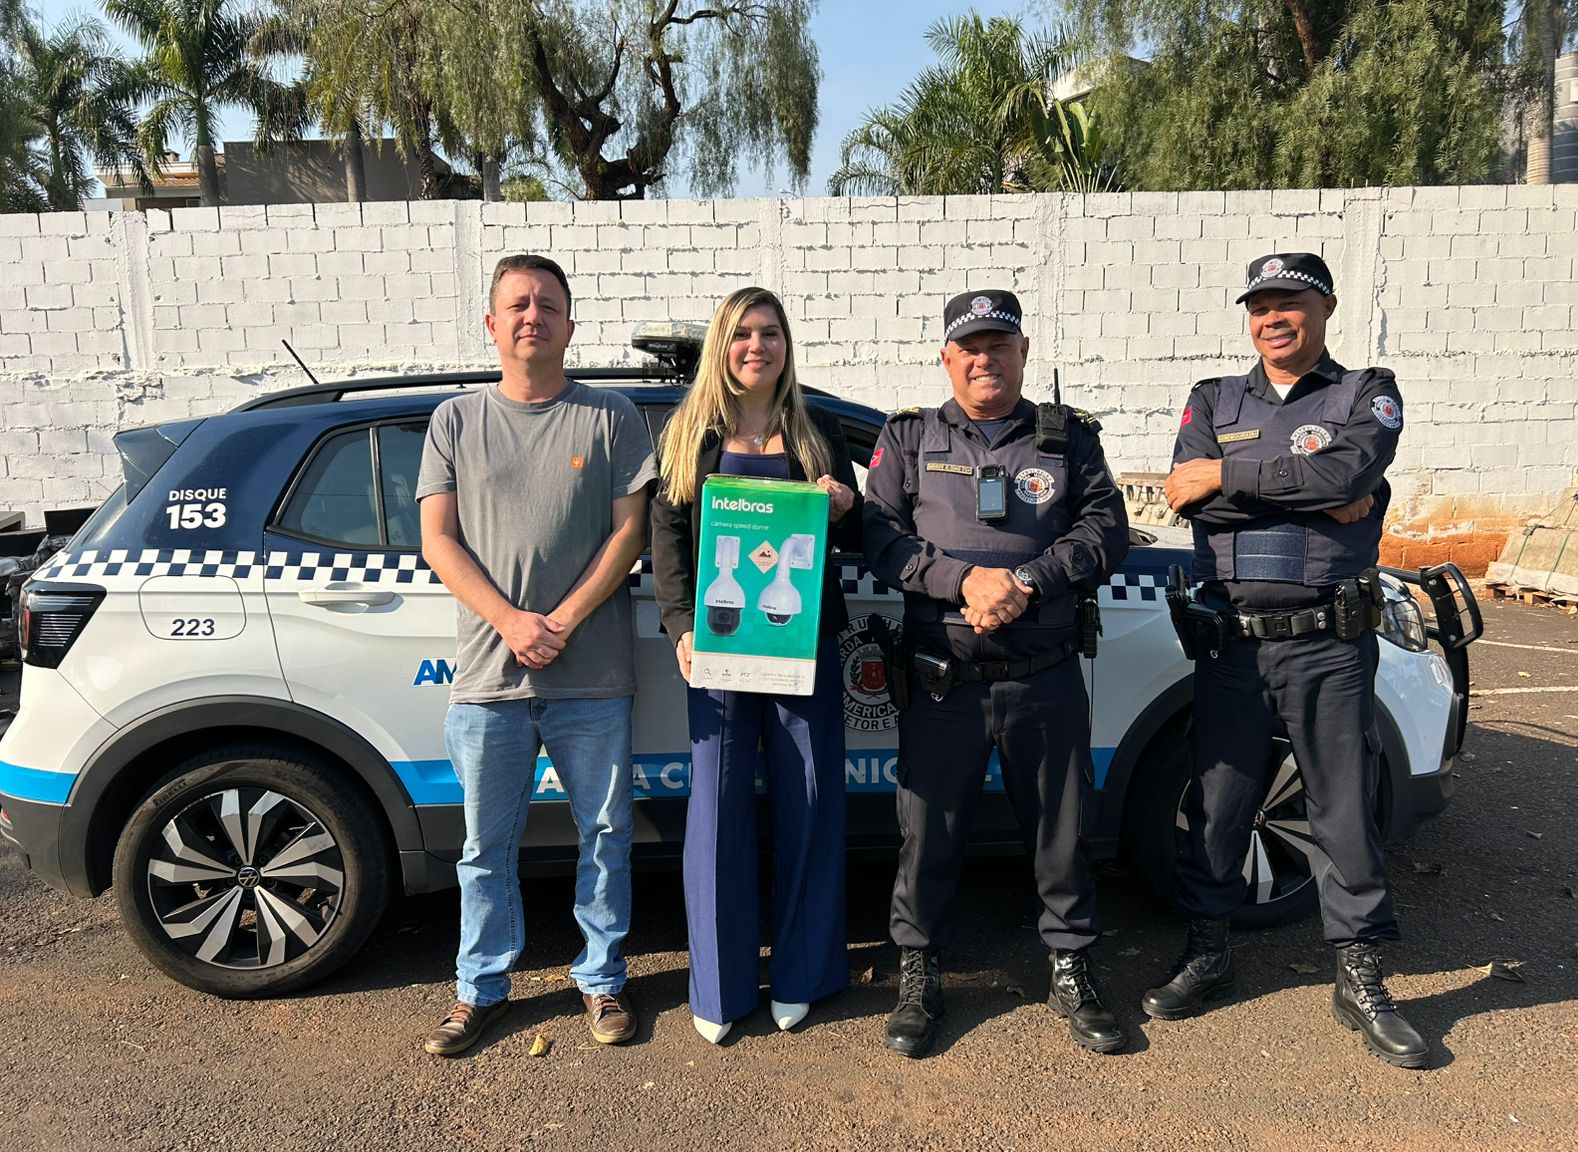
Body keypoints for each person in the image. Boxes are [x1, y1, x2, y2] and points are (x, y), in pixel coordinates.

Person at [1154, 251, 1426, 1068]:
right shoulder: (1214, 398)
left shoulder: (1365, 392)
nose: (1273, 318)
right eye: (1260, 305)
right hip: (1232, 643)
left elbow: (1350, 473)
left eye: (1290, 302)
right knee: (1219, 803)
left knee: (1343, 809)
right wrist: (1314, 490)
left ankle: (1360, 974)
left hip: (1327, 645)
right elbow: (1188, 496)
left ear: (1326, 307)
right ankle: (1209, 950)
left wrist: (1228, 474)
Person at [862, 289, 1131, 1058]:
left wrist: (1028, 583)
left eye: (999, 345)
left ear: (1022, 353)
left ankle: (1071, 967)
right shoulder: (908, 437)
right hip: (942, 681)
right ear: (947, 359)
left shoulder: (1067, 437)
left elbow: (1105, 529)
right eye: (970, 347)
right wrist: (963, 582)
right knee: (927, 837)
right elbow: (877, 536)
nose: (986, 359)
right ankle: (920, 970)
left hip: (1042, 676)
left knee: (1062, 832)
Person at [416, 254, 656, 1055]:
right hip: (489, 677)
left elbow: (631, 532)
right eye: (517, 304)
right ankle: (479, 988)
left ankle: (602, 977)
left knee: (605, 835)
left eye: (548, 305)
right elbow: (438, 541)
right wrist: (514, 623)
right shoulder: (455, 421)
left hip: (594, 678)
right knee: (485, 849)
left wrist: (560, 619)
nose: (532, 316)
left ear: (569, 325)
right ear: (492, 324)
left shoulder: (612, 416)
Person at [651, 287, 861, 1045]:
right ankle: (719, 986)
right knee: (716, 813)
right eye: (742, 333)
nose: (757, 346)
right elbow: (668, 537)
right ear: (722, 344)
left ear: (786, 345)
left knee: (810, 801)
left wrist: (845, 506)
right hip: (718, 647)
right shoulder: (687, 432)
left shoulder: (818, 430)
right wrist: (680, 626)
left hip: (802, 646)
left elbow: (858, 533)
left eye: (770, 333)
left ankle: (804, 975)